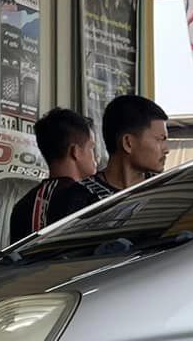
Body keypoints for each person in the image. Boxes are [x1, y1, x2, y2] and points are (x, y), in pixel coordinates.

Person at [9, 107, 115, 243]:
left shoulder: (22, 206)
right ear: (75, 151)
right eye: (91, 148)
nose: (96, 157)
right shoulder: (89, 200)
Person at [98, 94, 171, 193]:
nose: (167, 150)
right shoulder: (80, 198)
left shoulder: (165, 191)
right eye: (161, 139)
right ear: (128, 143)